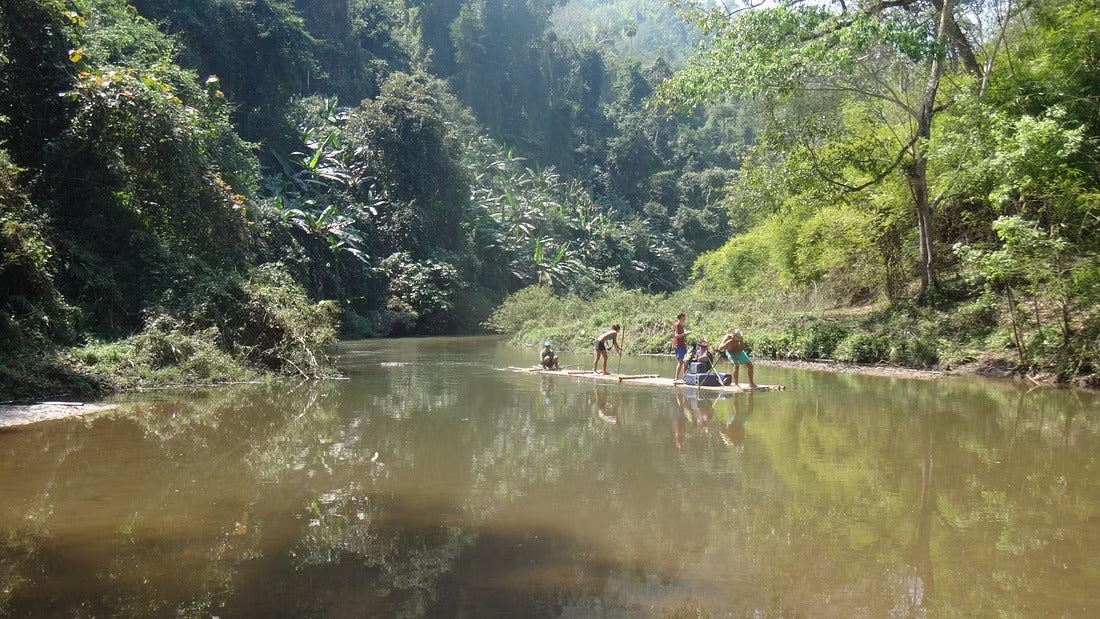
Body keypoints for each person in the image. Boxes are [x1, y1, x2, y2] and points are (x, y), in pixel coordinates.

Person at [672, 313, 692, 382]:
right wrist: (685, 333)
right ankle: (676, 378)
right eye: (683, 318)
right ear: (680, 318)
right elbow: (676, 336)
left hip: (683, 345)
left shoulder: (681, 325)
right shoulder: (677, 325)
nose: (685, 319)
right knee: (680, 362)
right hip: (678, 346)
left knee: (685, 361)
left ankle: (684, 377)